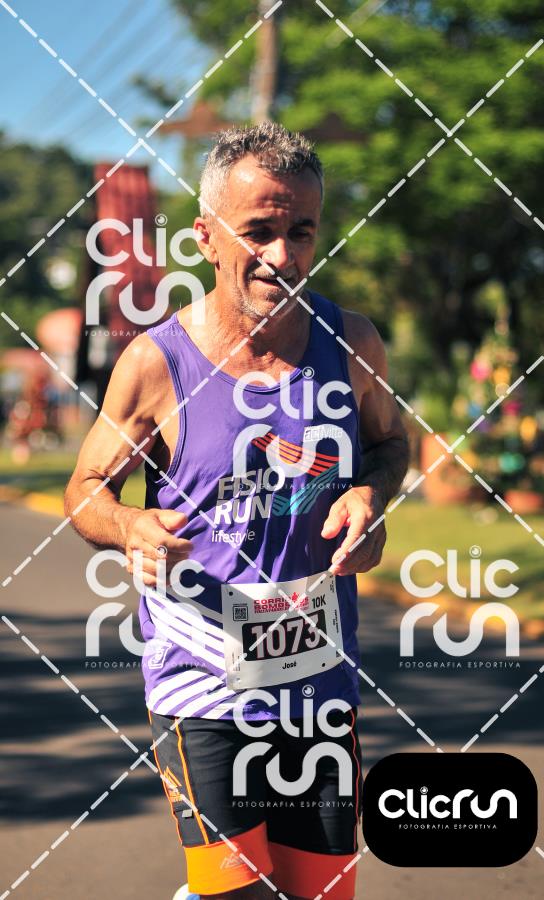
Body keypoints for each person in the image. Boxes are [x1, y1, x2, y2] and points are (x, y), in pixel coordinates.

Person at [65, 122, 408, 900]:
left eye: (301, 232)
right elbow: (85, 487)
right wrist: (128, 526)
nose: (281, 255)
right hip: (201, 685)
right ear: (206, 239)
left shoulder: (351, 344)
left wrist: (370, 494)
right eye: (257, 232)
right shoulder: (157, 364)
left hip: (320, 681)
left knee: (321, 894)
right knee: (238, 894)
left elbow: (390, 443)